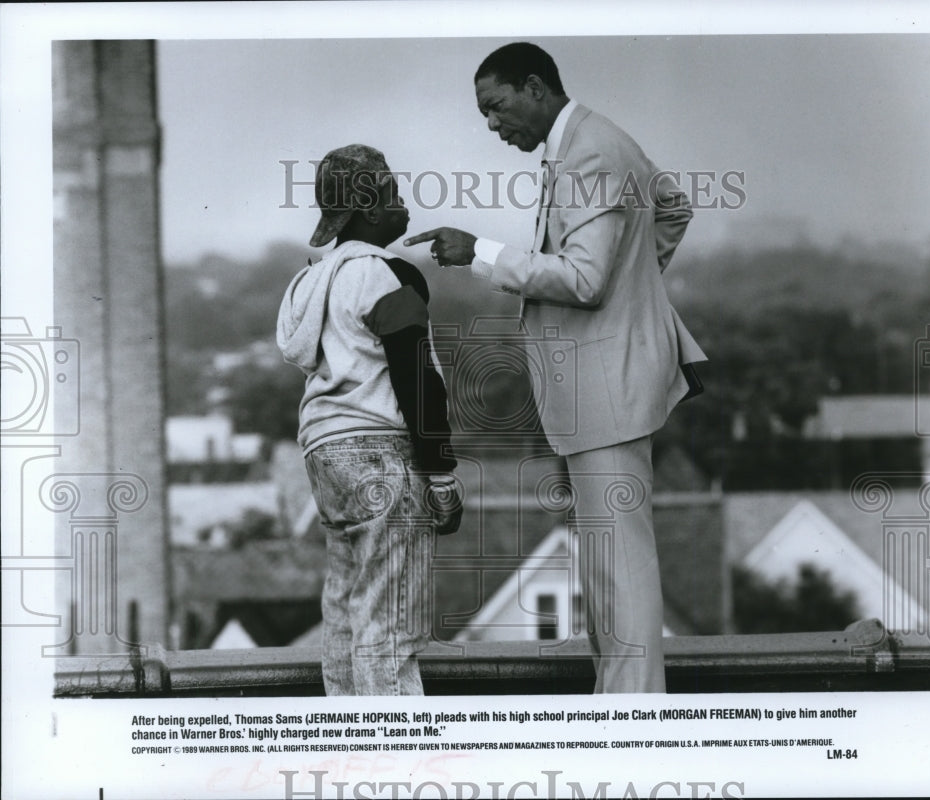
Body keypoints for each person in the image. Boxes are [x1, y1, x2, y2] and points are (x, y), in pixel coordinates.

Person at [405, 42, 705, 693]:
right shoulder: (597, 141)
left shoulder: (591, 153)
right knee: (606, 562)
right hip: (605, 386)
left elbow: (587, 279)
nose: (492, 124)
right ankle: (623, 705)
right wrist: (636, 294)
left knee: (617, 565)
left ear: (536, 88)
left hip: (606, 389)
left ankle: (633, 720)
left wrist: (478, 251)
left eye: (497, 106)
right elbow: (674, 209)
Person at [277, 144, 461, 695]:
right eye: (394, 195)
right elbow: (415, 377)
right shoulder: (385, 275)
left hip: (322, 454)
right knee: (391, 622)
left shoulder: (307, 283)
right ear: (371, 210)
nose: (405, 206)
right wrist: (441, 473)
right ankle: (395, 758)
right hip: (381, 455)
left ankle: (346, 743)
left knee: (345, 609)